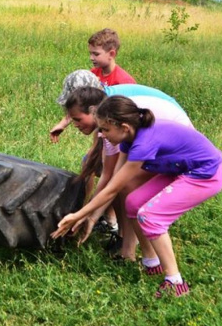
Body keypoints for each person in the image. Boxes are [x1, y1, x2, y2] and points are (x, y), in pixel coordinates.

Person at [52, 96, 222, 298]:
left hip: (206, 173)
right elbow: (116, 183)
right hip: (178, 169)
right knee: (134, 202)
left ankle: (175, 282)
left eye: (106, 129)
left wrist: (80, 214)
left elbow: (111, 189)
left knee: (151, 216)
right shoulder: (128, 140)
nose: (101, 134)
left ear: (124, 127)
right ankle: (152, 263)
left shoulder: (143, 143)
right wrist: (86, 216)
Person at [63, 84, 193, 271]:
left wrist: (87, 216)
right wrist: (91, 217)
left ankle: (141, 254)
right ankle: (128, 247)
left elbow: (114, 183)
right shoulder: (109, 129)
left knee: (127, 185)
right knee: (122, 185)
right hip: (155, 142)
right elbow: (108, 176)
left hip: (177, 148)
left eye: (77, 119)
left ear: (93, 112)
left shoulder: (114, 125)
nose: (74, 125)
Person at [49, 28, 135, 143]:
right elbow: (80, 103)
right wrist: (63, 123)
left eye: (96, 54)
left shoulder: (123, 81)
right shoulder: (93, 74)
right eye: (90, 53)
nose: (91, 58)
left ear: (111, 54)